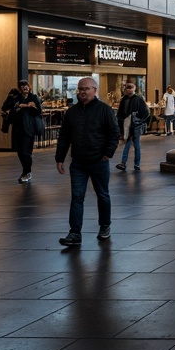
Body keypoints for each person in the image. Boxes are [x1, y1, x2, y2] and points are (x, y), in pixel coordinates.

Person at [54, 78, 120, 245]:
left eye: (86, 89)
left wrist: (108, 153)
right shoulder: (72, 112)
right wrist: (59, 158)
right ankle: (74, 233)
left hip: (99, 161)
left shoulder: (104, 110)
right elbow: (64, 136)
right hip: (78, 163)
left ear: (95, 90)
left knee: (102, 195)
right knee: (77, 197)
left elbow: (114, 133)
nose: (82, 92)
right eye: (80, 89)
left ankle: (105, 225)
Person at [2, 79, 44, 183]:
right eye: (21, 86)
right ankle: (26, 171)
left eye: (25, 85)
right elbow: (4, 107)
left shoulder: (33, 97)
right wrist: (10, 95)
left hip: (28, 129)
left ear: (29, 86)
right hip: (17, 129)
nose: (24, 87)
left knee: (26, 152)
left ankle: (27, 172)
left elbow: (39, 111)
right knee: (20, 152)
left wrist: (30, 105)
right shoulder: (17, 98)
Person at [115, 81, 150, 172]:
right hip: (128, 126)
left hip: (135, 126)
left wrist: (138, 121)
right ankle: (129, 163)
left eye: (131, 87)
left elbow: (145, 113)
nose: (129, 89)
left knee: (134, 144)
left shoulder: (137, 99)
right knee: (130, 144)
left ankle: (132, 163)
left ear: (134, 88)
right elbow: (120, 114)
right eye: (128, 87)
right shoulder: (125, 99)